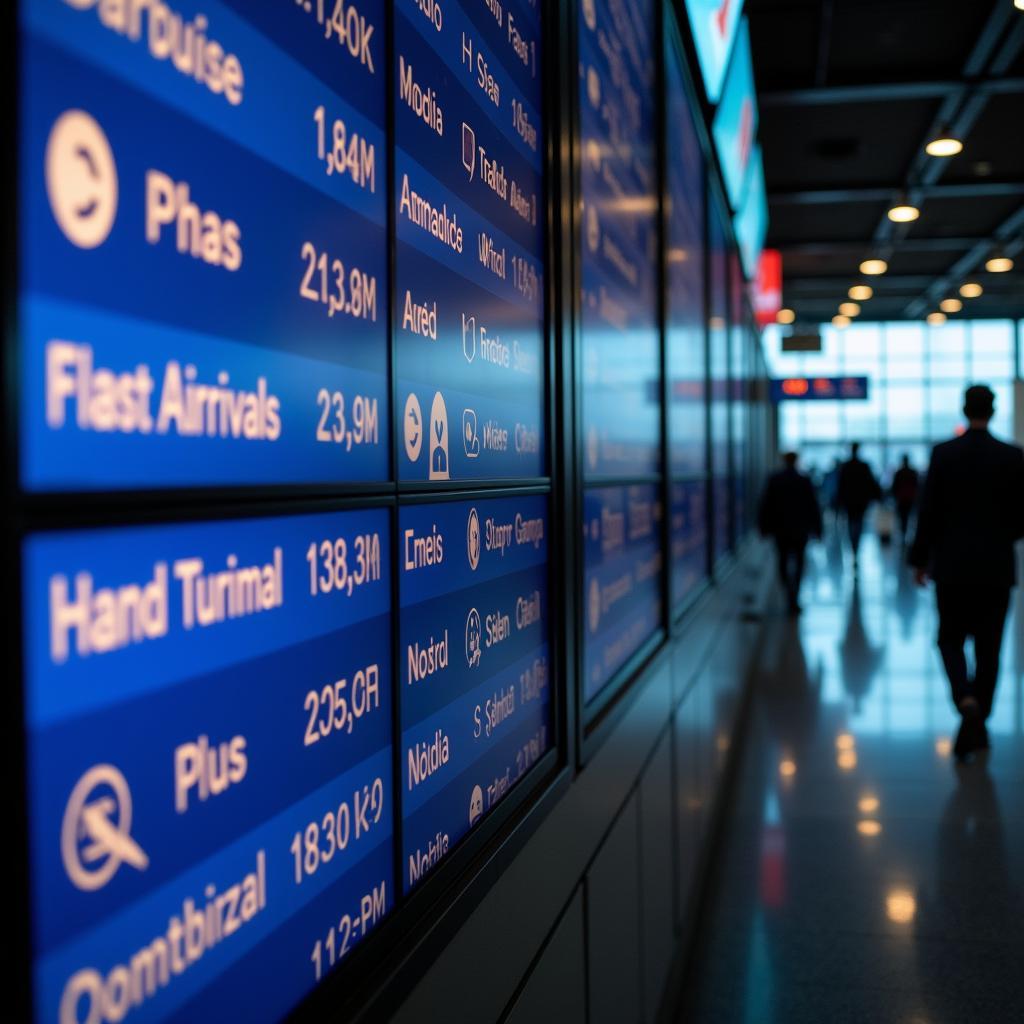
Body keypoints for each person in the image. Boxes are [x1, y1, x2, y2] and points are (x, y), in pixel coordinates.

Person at [909, 385, 1024, 760]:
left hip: (952, 567)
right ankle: (980, 716)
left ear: (964, 409)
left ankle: (964, 700)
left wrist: (920, 559)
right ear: (992, 411)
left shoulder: (944, 455)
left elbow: (928, 512)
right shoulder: (1012, 456)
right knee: (990, 647)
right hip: (996, 567)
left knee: (949, 638)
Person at [758, 451, 822, 615]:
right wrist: (818, 528)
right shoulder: (804, 480)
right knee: (800, 561)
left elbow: (766, 505)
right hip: (800, 529)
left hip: (781, 529)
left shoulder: (775, 479)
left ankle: (788, 593)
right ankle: (794, 596)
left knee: (782, 560)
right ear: (796, 461)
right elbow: (813, 506)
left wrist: (763, 528)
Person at [836, 442, 881, 567]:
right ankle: (856, 548)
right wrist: (876, 497)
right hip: (861, 500)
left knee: (851, 524)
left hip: (850, 501)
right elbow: (871, 483)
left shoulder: (846, 466)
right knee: (859, 524)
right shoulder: (863, 466)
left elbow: (841, 486)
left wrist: (839, 501)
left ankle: (854, 548)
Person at [891, 454, 920, 543]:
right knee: (908, 517)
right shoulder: (912, 472)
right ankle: (906, 534)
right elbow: (917, 485)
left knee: (903, 517)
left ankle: (904, 534)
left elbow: (894, 487)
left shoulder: (899, 473)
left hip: (901, 498)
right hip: (910, 497)